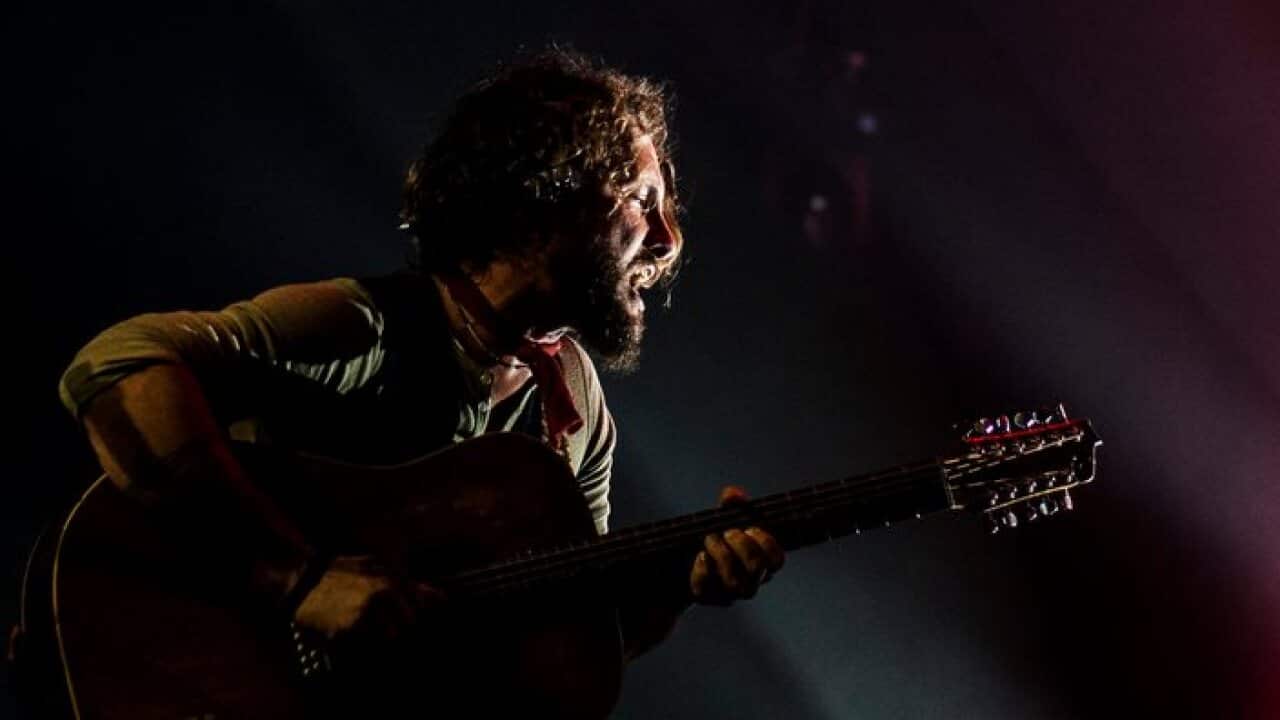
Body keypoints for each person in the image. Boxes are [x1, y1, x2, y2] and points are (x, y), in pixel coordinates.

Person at [54, 48, 784, 672]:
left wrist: (679, 585)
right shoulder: (366, 326)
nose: (668, 241)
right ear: (542, 199)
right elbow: (116, 363)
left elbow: (565, 625)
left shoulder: (576, 408)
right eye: (639, 199)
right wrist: (297, 580)